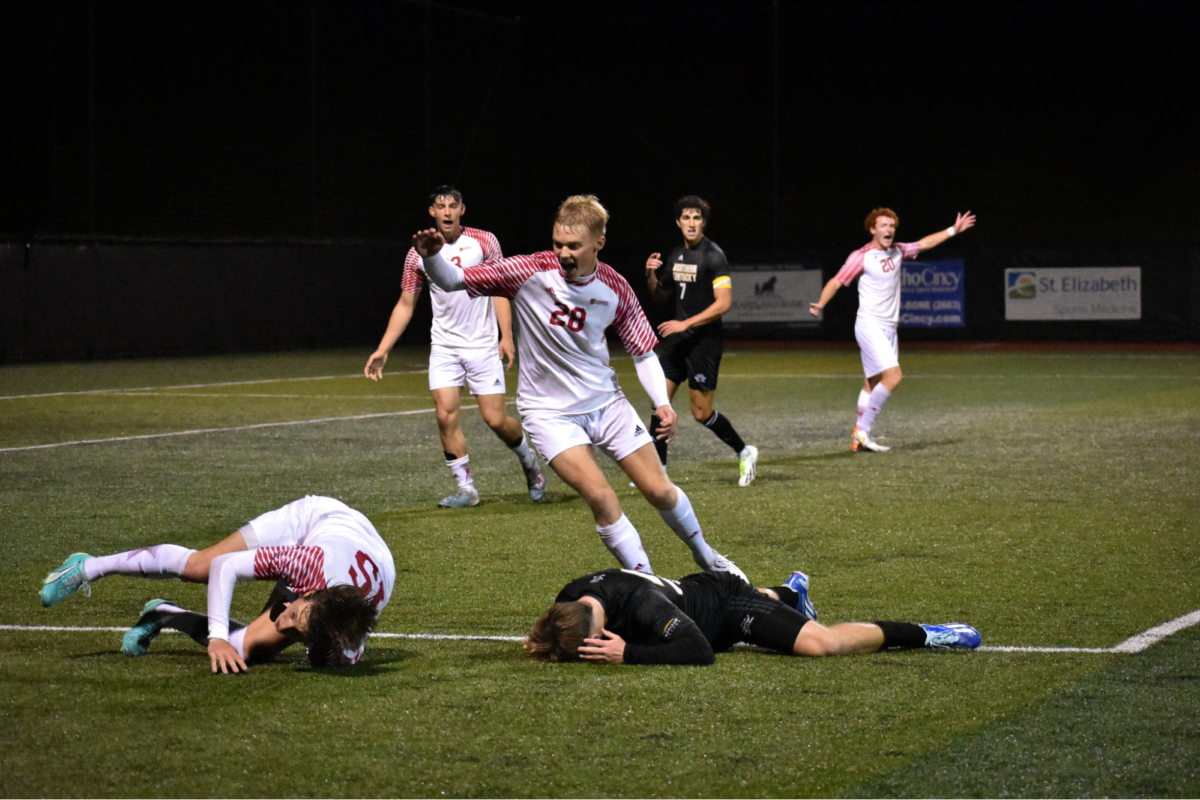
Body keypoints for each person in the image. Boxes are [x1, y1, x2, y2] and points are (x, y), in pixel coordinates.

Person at [412, 194, 746, 582]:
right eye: (558, 244)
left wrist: (662, 403)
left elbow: (641, 353)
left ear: (598, 243)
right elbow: (452, 280)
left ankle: (707, 556)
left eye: (574, 246)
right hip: (549, 414)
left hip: (607, 404)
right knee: (603, 498)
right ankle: (652, 586)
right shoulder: (527, 271)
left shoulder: (615, 288)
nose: (564, 254)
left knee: (660, 491)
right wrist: (432, 257)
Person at [39, 495, 395, 673]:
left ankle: (163, 614)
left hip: (366, 556)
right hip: (316, 521)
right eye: (294, 612)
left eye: (297, 630)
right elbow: (226, 567)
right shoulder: (307, 564)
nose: (283, 619)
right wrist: (217, 637)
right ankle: (88, 567)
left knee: (247, 654)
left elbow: (330, 647)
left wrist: (301, 637)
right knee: (200, 566)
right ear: (311, 592)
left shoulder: (340, 641)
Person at [365, 185, 546, 508]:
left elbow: (500, 289)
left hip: (481, 345)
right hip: (445, 347)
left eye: (453, 205)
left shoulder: (484, 242)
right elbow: (406, 304)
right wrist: (383, 349)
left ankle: (529, 463)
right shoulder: (417, 253)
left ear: (463, 209)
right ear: (431, 212)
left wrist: (507, 335)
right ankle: (467, 489)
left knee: (495, 420)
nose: (447, 211)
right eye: (440, 206)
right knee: (445, 416)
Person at [524, 568, 980, 665]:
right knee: (744, 599)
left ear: (600, 630)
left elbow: (699, 651)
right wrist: (543, 640)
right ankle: (789, 591)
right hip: (696, 592)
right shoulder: (570, 598)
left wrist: (630, 654)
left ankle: (930, 634)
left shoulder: (643, 605)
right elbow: (558, 628)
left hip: (724, 609)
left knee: (823, 645)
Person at [810, 208, 977, 452]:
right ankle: (863, 432)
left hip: (889, 328)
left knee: (872, 382)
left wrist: (953, 230)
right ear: (872, 229)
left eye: (892, 226)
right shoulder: (861, 256)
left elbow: (923, 244)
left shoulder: (898, 250)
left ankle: (859, 437)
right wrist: (821, 303)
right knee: (894, 376)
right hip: (869, 324)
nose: (889, 230)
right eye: (883, 225)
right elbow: (837, 280)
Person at [645, 196, 758, 486]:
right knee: (660, 403)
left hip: (704, 343)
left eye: (697, 218)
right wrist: (650, 274)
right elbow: (661, 294)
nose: (691, 223)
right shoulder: (676, 255)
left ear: (703, 223)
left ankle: (745, 451)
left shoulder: (713, 255)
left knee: (701, 413)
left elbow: (724, 303)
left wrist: (685, 323)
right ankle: (659, 472)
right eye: (686, 218)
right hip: (677, 342)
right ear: (678, 222)